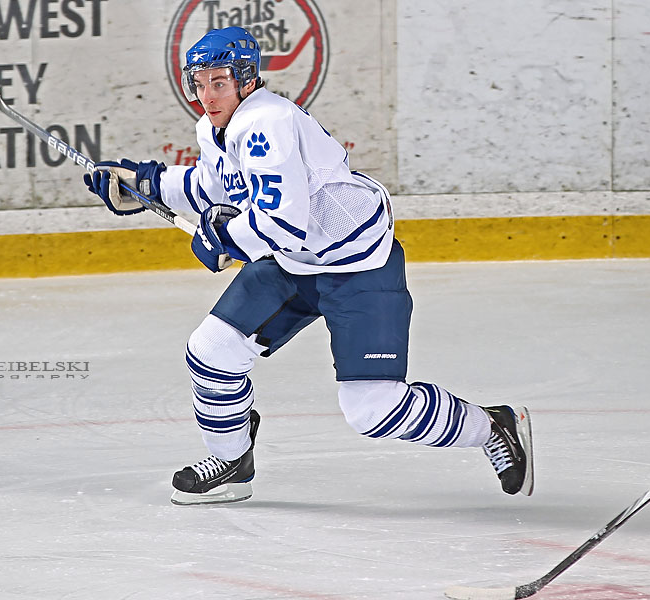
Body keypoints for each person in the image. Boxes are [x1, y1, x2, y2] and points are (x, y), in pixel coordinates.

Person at [82, 27, 533, 505]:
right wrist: (146, 183)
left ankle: (493, 427)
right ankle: (234, 462)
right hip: (294, 262)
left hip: (357, 266)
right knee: (211, 352)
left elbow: (283, 222)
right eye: (200, 83)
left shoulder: (266, 123)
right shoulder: (215, 128)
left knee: (372, 411)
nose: (208, 96)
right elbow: (217, 186)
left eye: (219, 83)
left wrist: (224, 239)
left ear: (246, 80)